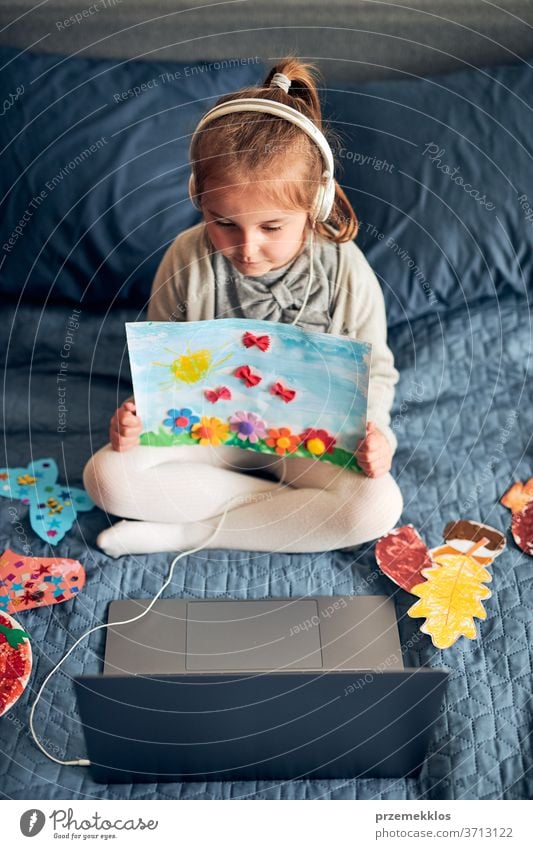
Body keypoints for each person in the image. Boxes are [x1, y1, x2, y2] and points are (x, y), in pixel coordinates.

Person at [82, 56, 403, 558]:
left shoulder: (345, 269)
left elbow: (377, 373)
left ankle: (186, 532)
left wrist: (376, 435)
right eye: (223, 222)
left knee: (377, 505)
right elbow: (163, 367)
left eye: (271, 227)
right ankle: (282, 513)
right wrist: (140, 417)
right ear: (198, 198)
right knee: (104, 476)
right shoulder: (186, 260)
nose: (246, 246)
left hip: (309, 445)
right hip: (212, 436)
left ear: (313, 205)